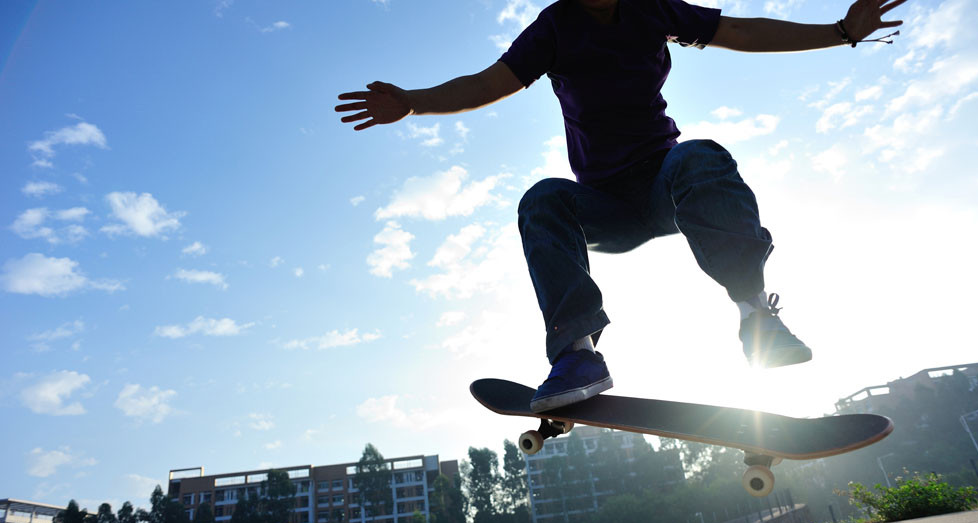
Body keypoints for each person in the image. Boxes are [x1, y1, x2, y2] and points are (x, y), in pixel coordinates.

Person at [336, 0, 906, 412]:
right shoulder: (556, 27)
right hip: (602, 206)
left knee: (700, 155)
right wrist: (412, 102)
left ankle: (756, 317)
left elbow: (739, 30)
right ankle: (577, 353)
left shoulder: (651, 9)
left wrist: (840, 31)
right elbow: (487, 83)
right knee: (543, 199)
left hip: (666, 184)